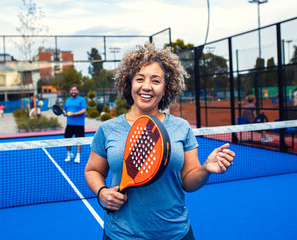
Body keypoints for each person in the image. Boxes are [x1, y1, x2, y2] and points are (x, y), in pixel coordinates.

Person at [84, 43, 235, 240]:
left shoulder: (181, 127)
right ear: (129, 84)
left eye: (156, 80)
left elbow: (188, 181)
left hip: (176, 233)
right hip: (120, 235)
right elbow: (92, 170)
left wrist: (206, 169)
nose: (146, 86)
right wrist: (102, 192)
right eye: (139, 79)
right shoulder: (108, 129)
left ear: (166, 88)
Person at [63, 84, 87, 163]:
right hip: (69, 124)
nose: (73, 91)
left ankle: (78, 156)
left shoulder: (82, 100)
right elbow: (64, 109)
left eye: (75, 90)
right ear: (70, 91)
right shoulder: (67, 100)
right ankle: (69, 154)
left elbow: (84, 110)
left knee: (79, 141)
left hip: (79, 124)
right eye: (72, 90)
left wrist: (74, 114)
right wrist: (64, 113)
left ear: (78, 91)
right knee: (67, 140)